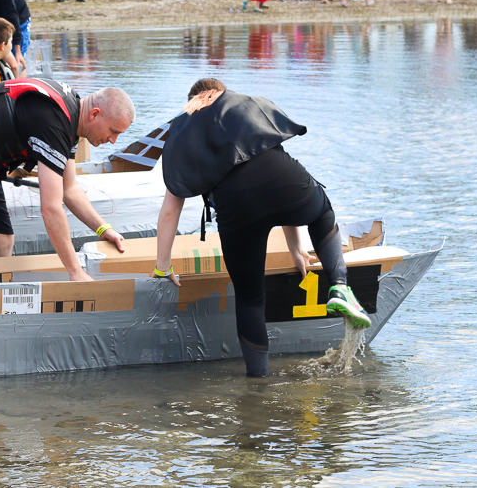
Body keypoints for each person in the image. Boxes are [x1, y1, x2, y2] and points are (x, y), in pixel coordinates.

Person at [154, 78, 372, 378]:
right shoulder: (240, 103)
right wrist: (298, 248)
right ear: (218, 93)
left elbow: (170, 210)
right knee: (321, 213)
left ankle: (257, 382)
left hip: (235, 209)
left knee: (250, 298)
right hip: (283, 181)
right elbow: (270, 182)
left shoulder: (179, 133)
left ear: (193, 101)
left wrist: (162, 267)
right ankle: (340, 287)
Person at [0, 79, 134, 272]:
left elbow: (69, 189)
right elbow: (50, 208)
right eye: (113, 131)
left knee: (1, 243)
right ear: (95, 114)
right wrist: (75, 271)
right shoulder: (53, 122)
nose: (113, 140)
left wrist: (103, 229)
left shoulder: (72, 117)